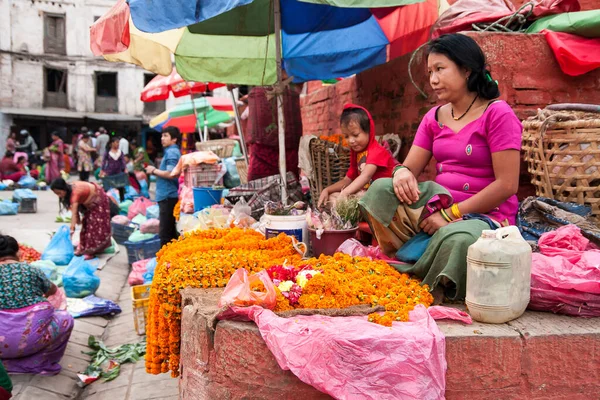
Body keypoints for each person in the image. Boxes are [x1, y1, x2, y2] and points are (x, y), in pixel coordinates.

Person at [359, 33, 522, 302]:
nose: (433, 79)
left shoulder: (497, 114)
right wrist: (400, 172)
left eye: (440, 69)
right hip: (438, 207)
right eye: (430, 71)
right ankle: (416, 253)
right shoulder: (434, 117)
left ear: (467, 70)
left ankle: (421, 269)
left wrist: (450, 215)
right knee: (380, 189)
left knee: (457, 241)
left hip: (484, 217)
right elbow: (408, 167)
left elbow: (507, 185)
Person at [0, 235, 74, 375]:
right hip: (29, 342)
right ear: (18, 253)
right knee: (66, 319)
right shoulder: (32, 270)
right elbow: (52, 290)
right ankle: (35, 361)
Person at [318, 105, 399, 207]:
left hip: (384, 196)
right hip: (366, 196)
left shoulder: (377, 151)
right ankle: (347, 211)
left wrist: (345, 193)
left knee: (354, 197)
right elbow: (348, 180)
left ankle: (347, 213)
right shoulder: (356, 153)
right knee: (331, 197)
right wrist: (327, 189)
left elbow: (365, 176)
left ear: (369, 131)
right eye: (346, 136)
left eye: (355, 135)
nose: (351, 141)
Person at [50, 178, 112, 257]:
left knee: (94, 226)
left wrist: (72, 230)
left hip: (99, 198)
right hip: (88, 203)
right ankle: (85, 248)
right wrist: (77, 220)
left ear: (64, 189)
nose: (59, 196)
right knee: (86, 224)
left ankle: (92, 251)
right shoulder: (70, 192)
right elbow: (74, 211)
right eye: (57, 194)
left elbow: (74, 213)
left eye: (59, 193)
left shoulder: (75, 194)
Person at [145, 127, 181, 246]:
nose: (162, 138)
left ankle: (164, 261)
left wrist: (153, 170)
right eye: (162, 136)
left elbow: (171, 173)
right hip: (167, 195)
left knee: (165, 234)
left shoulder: (171, 152)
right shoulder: (171, 151)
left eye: (166, 136)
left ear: (174, 139)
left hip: (167, 196)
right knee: (170, 231)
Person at [100, 137, 128, 202]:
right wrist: (102, 170)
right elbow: (104, 162)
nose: (118, 144)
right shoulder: (107, 152)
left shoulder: (120, 152)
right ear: (112, 143)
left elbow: (123, 161)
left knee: (120, 187)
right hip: (109, 172)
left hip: (119, 172)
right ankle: (104, 201)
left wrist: (125, 169)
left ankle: (122, 201)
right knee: (107, 187)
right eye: (116, 142)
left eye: (118, 143)